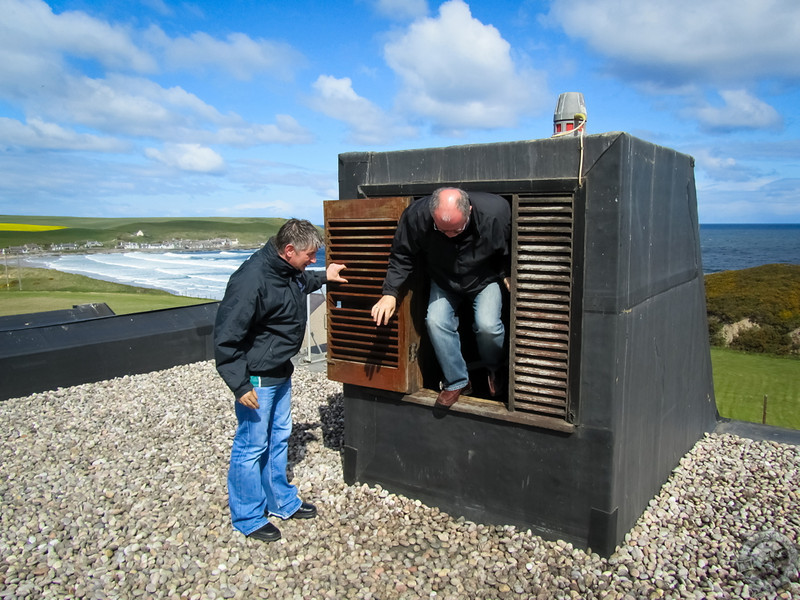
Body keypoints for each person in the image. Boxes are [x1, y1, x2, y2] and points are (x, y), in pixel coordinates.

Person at [214, 218, 347, 543]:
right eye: (310, 255)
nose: (313, 260)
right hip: (257, 379)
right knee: (251, 446)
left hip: (280, 373)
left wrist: (325, 277)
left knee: (279, 439)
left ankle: (281, 502)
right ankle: (247, 516)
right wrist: (240, 384)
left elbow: (299, 282)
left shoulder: (287, 271)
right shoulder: (251, 280)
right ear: (289, 250)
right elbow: (226, 338)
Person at [371, 187, 510, 408]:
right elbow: (402, 254)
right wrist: (390, 293)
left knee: (488, 326)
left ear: (470, 211)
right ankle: (457, 381)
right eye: (442, 230)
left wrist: (506, 273)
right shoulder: (416, 215)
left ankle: (494, 368)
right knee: (435, 322)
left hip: (483, 277)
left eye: (456, 230)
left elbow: (506, 247)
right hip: (443, 278)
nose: (449, 235)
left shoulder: (496, 212)